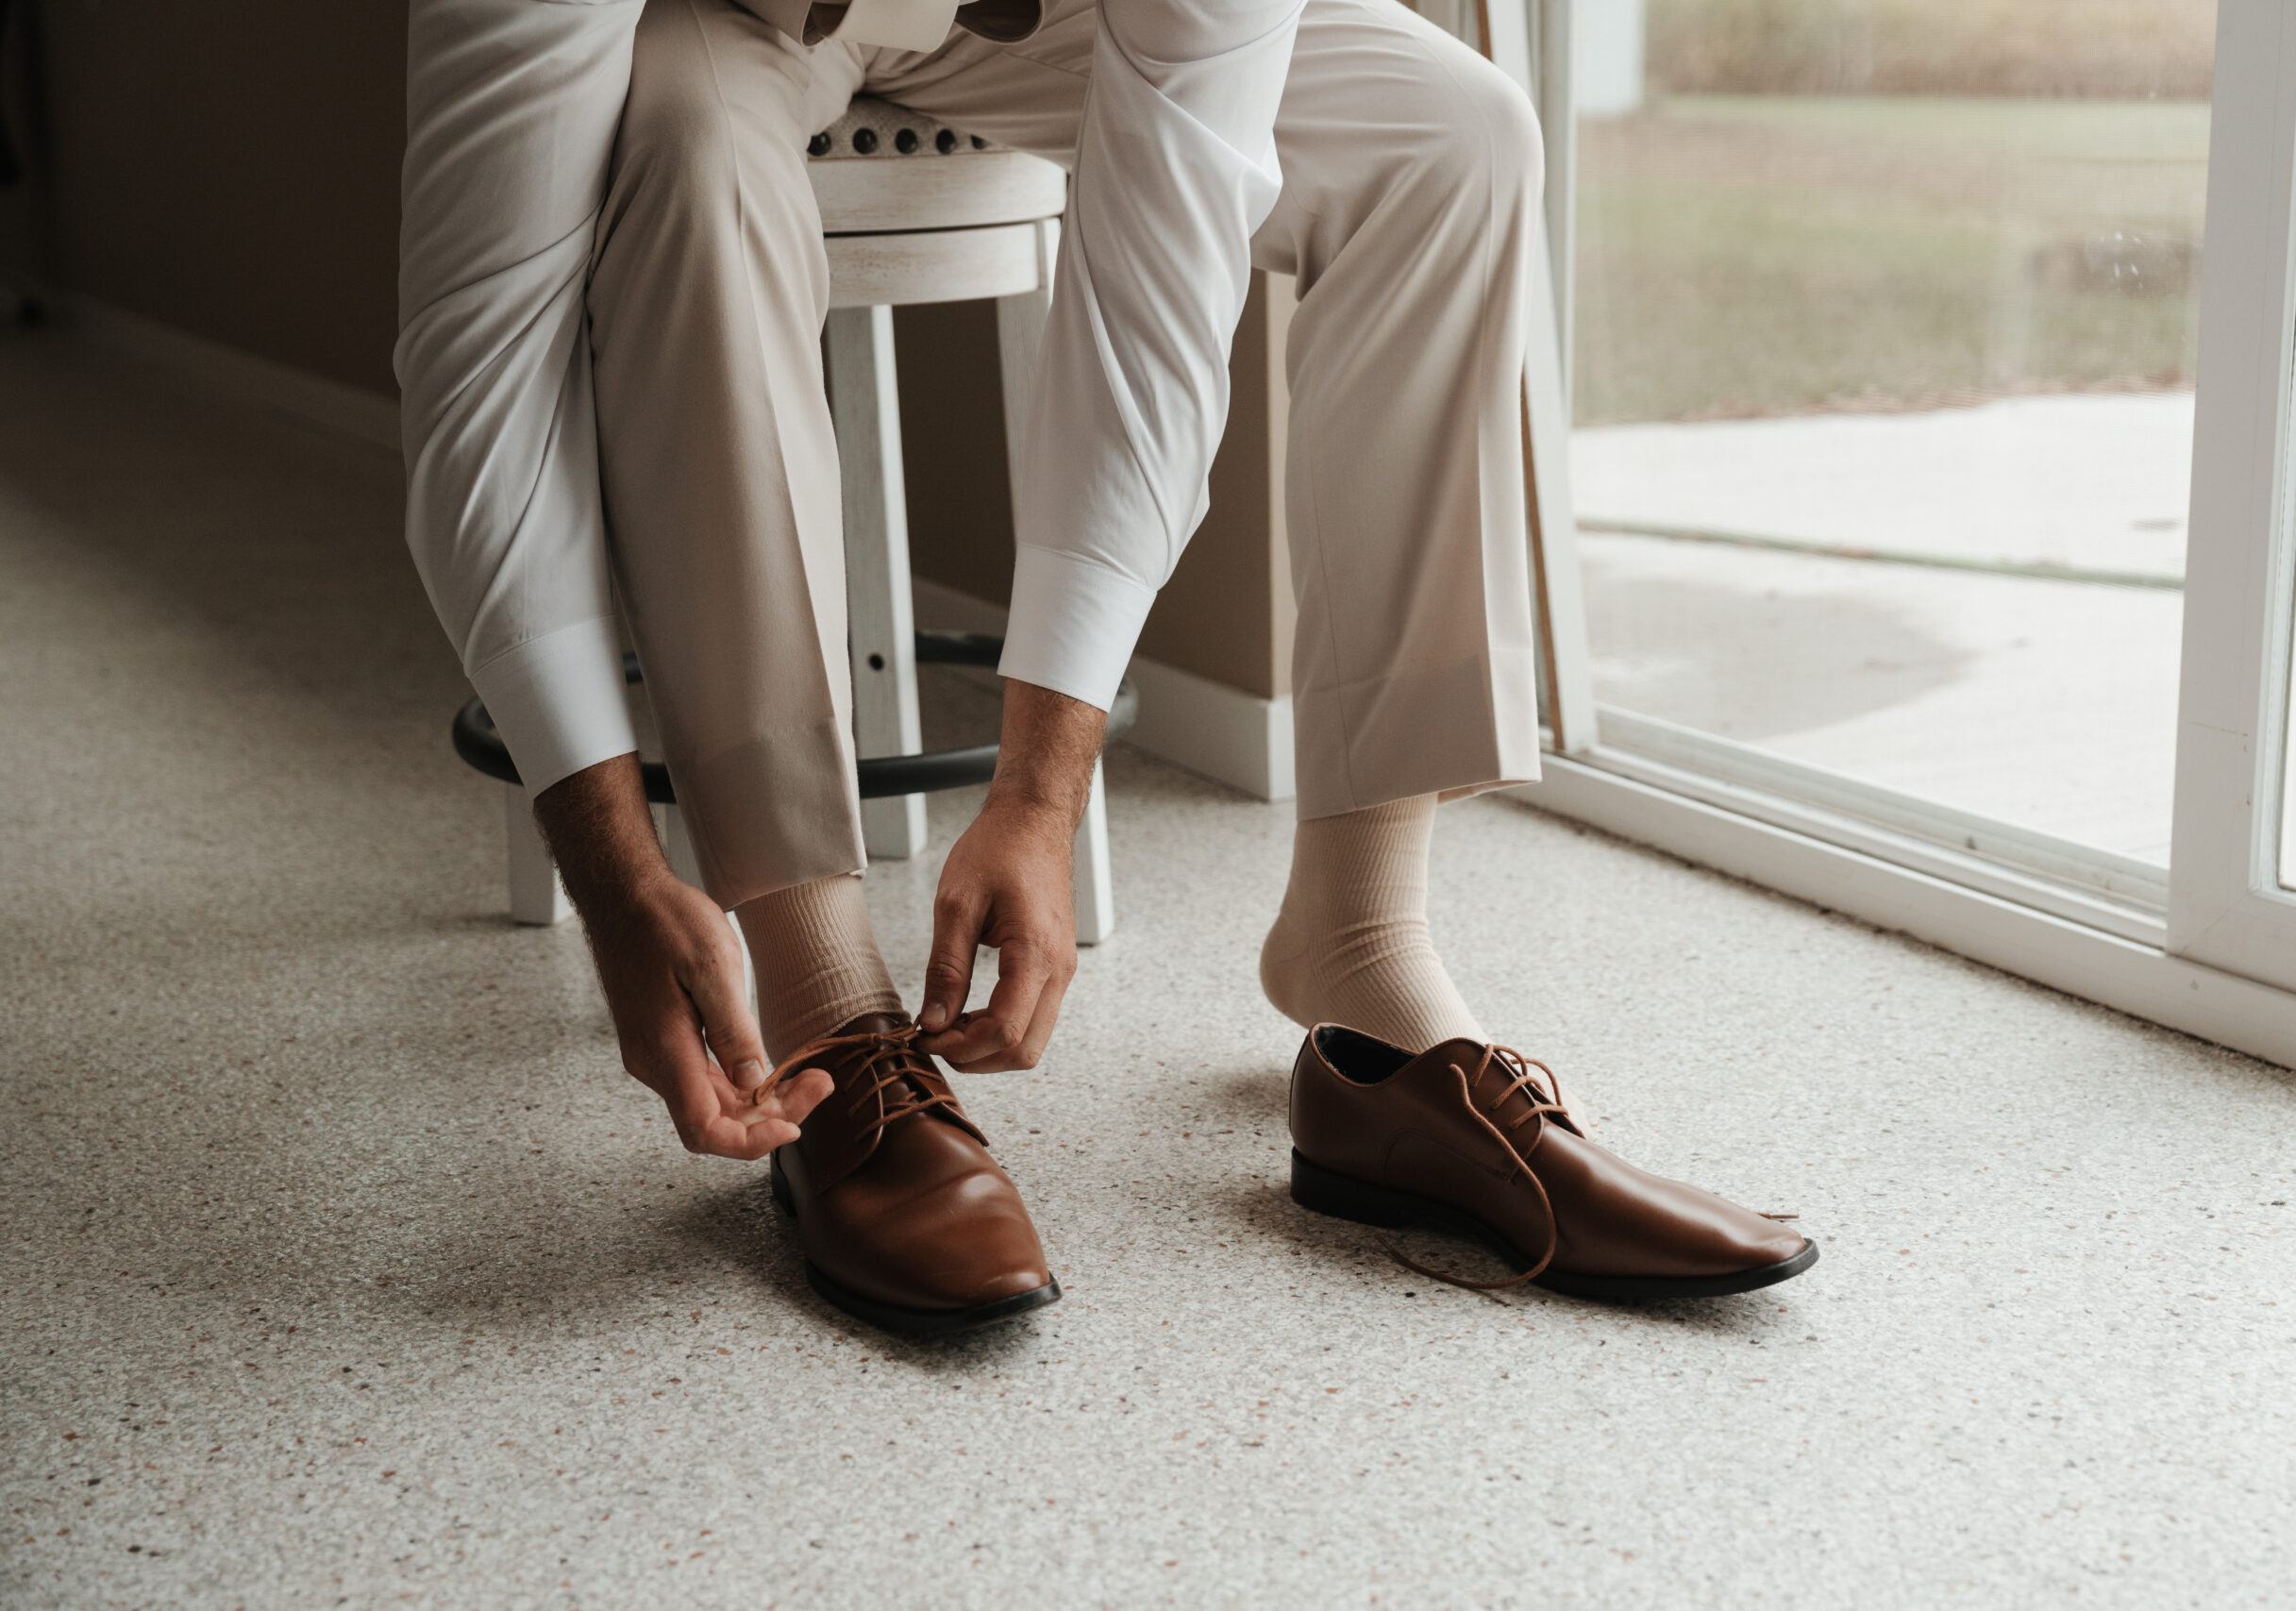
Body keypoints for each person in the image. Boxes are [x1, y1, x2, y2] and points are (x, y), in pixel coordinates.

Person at [398, 0, 1813, 1336]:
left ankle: (1364, 953)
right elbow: (483, 362)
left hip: (1020, 30)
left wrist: (1041, 787)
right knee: (695, 156)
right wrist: (612, 860)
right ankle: (823, 1004)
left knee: (1455, 135)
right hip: (718, 25)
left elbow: (1159, 287)